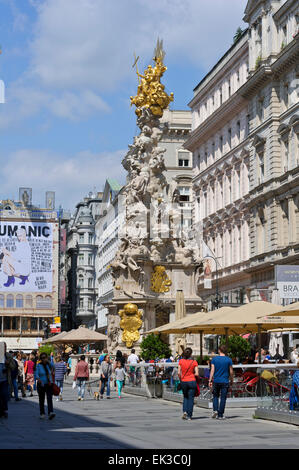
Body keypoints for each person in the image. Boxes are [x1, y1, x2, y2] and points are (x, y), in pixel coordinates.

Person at [209, 344, 233, 420]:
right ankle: (220, 414)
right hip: (225, 381)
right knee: (223, 398)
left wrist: (210, 380)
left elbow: (212, 370)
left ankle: (215, 410)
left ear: (219, 350)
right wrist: (231, 379)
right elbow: (231, 371)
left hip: (216, 380)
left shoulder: (214, 359)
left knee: (215, 396)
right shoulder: (229, 359)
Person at [178, 347, 199, 421]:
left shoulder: (181, 361)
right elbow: (197, 373)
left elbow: (178, 372)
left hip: (184, 381)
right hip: (192, 381)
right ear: (191, 354)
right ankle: (189, 416)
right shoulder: (194, 362)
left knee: (185, 397)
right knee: (191, 398)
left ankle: (185, 411)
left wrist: (181, 379)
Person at [35, 352, 55, 420]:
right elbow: (36, 374)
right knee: (41, 399)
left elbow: (53, 366)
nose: (44, 359)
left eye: (45, 357)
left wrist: (49, 362)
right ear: (40, 359)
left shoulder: (48, 365)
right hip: (41, 384)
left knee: (49, 398)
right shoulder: (38, 365)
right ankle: (42, 413)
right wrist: (38, 379)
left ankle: (50, 412)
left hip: (49, 384)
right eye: (42, 358)